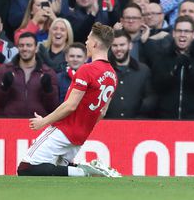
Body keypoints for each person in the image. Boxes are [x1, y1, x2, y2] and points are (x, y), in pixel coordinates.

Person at [17, 22, 120, 177]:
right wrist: (82, 126)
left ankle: (84, 171)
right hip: (81, 135)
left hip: (64, 129)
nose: (86, 43)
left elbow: (71, 105)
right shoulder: (112, 75)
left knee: (26, 168)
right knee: (60, 176)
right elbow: (102, 112)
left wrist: (43, 122)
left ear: (95, 43)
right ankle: (84, 171)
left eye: (88, 39)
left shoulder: (87, 69)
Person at [0, 32, 59, 118]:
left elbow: (53, 107)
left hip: (37, 124)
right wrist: (4, 87)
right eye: (21, 45)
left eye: (29, 45)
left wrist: (48, 90)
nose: (25, 48)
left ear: (36, 48)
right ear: (17, 47)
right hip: (10, 123)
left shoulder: (48, 72)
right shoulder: (4, 70)